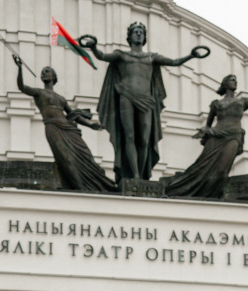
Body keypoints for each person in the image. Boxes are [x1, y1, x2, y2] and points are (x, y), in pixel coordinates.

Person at [79, 23, 209, 181]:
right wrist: (92, 47)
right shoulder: (122, 55)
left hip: (146, 100)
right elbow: (102, 56)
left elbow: (174, 62)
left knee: (145, 140)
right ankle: (134, 176)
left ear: (145, 37)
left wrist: (192, 56)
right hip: (126, 96)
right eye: (135, 32)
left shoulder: (151, 57)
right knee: (129, 136)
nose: (139, 35)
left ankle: (141, 174)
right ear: (130, 37)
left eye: (141, 32)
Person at [163, 72, 248, 200]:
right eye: (232, 80)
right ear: (225, 84)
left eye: (236, 80)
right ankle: (181, 190)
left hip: (233, 136)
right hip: (216, 136)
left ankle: (211, 194)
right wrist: (204, 131)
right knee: (201, 166)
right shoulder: (216, 104)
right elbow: (208, 125)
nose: (235, 82)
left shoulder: (242, 102)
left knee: (221, 170)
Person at [12, 57, 117, 192]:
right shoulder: (39, 92)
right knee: (66, 159)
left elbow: (74, 115)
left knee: (85, 155)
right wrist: (20, 68)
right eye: (43, 71)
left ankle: (98, 186)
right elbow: (22, 87)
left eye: (47, 71)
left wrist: (90, 125)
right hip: (53, 127)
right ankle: (80, 187)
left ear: (54, 77)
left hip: (68, 128)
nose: (44, 72)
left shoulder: (61, 98)